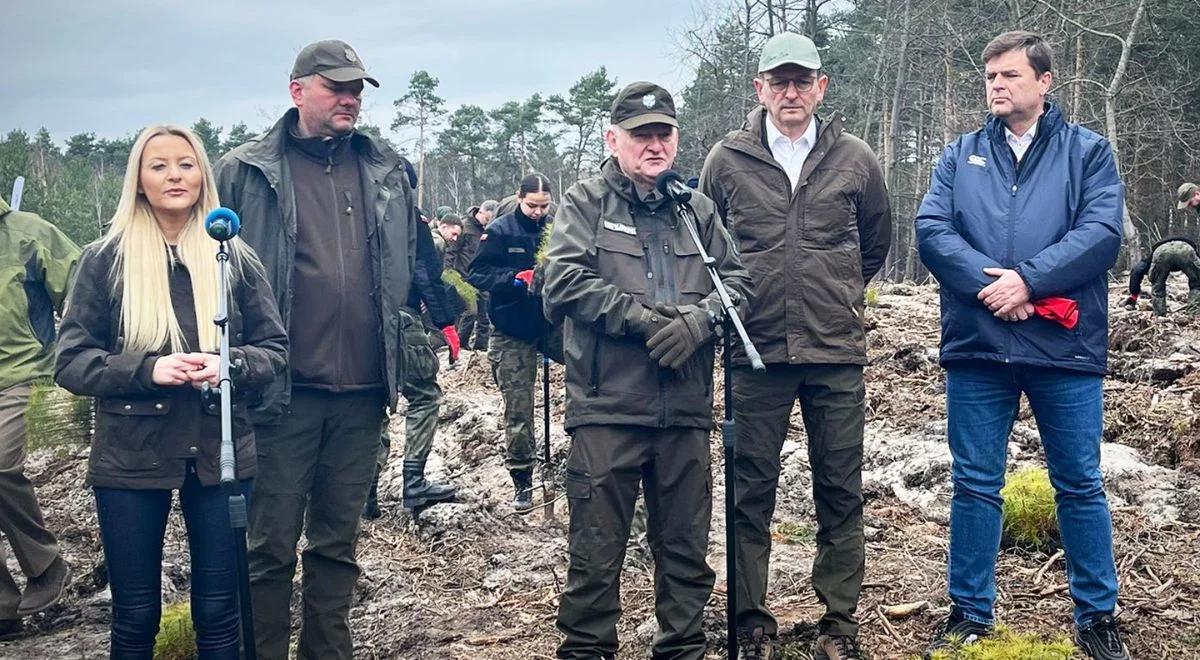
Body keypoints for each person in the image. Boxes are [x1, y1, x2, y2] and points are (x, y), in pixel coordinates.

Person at [915, 31, 1129, 660]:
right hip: (980, 345)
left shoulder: (1089, 153)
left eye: (1009, 75)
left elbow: (1101, 233)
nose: (997, 86)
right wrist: (998, 288)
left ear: (1045, 81)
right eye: (990, 77)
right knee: (976, 482)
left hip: (1063, 346)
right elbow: (931, 230)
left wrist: (1030, 281)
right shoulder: (960, 155)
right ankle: (969, 614)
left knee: (1080, 482)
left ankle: (1097, 616)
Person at [214, 40, 420, 659]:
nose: (351, 99)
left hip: (362, 392)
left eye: (358, 89)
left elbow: (410, 267)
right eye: (337, 87)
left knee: (338, 545)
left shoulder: (387, 169)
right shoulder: (244, 172)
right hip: (280, 394)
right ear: (298, 90)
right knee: (268, 547)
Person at [54, 125, 287, 658]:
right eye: (158, 165)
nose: (174, 175)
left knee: (219, 611)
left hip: (220, 454)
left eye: (185, 163)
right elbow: (70, 362)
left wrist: (227, 364)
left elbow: (275, 350)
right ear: (138, 180)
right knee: (135, 615)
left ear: (202, 173)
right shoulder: (104, 259)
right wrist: (148, 371)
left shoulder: (236, 259)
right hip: (131, 457)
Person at [543, 81, 753, 660]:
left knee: (685, 548)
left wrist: (702, 321)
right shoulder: (586, 203)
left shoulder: (696, 210)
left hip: (685, 411)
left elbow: (738, 284)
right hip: (607, 407)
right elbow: (562, 282)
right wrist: (639, 320)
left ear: (676, 138)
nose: (654, 145)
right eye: (641, 135)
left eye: (663, 134)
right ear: (614, 139)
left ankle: (683, 649)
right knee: (596, 548)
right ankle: (587, 649)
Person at [700, 32, 892, 660]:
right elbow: (710, 248)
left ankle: (839, 621)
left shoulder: (857, 159)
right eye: (778, 81)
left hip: (835, 352)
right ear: (759, 88)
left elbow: (872, 246)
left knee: (840, 487)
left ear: (820, 87)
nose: (790, 92)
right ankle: (751, 619)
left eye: (801, 80)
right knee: (750, 488)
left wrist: (831, 296)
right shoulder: (724, 161)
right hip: (755, 355)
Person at [0, 194, 79, 641]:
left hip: (21, 374)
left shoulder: (28, 232)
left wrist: (79, 353)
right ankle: (3, 608)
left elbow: (86, 289)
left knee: (0, 469)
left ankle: (46, 563)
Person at [364, 158, 460, 519]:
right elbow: (426, 274)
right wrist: (447, 324)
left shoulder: (352, 211)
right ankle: (413, 481)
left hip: (359, 324)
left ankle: (366, 493)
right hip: (402, 321)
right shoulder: (410, 219)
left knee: (373, 401)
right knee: (424, 395)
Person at [468, 175, 554, 511]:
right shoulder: (501, 231)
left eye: (544, 206)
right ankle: (522, 479)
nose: (537, 212)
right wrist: (513, 279)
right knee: (519, 407)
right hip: (510, 326)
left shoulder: (556, 227)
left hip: (551, 322)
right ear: (519, 198)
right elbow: (477, 273)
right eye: (532, 205)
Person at [447, 200, 497, 350]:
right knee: (470, 311)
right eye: (487, 219)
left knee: (485, 315)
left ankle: (480, 347)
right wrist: (448, 273)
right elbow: (451, 251)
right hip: (464, 278)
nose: (488, 223)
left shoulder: (489, 230)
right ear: (480, 212)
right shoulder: (464, 228)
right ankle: (459, 346)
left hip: (481, 277)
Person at [1124, 237, 1200, 315]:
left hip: (1161, 251)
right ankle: (1193, 314)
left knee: (1157, 285)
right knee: (1197, 283)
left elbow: (1137, 270)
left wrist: (1134, 296)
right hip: (1185, 249)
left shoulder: (1152, 255)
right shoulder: (1193, 250)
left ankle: (1159, 315)